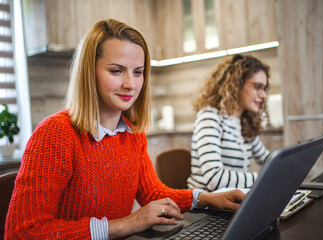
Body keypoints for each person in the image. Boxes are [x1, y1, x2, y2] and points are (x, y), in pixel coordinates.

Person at [4, 19, 246, 240]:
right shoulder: (55, 134)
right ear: (90, 73)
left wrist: (204, 198)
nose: (131, 84)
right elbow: (22, 232)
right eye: (116, 71)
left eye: (138, 72)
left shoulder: (132, 134)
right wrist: (125, 224)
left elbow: (152, 193)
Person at [187, 54, 271, 192]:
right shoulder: (210, 117)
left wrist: (290, 165)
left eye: (264, 88)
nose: (263, 95)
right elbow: (215, 178)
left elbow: (268, 160)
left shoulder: (244, 122)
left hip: (231, 200)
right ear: (236, 84)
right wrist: (264, 178)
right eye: (257, 87)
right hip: (205, 206)